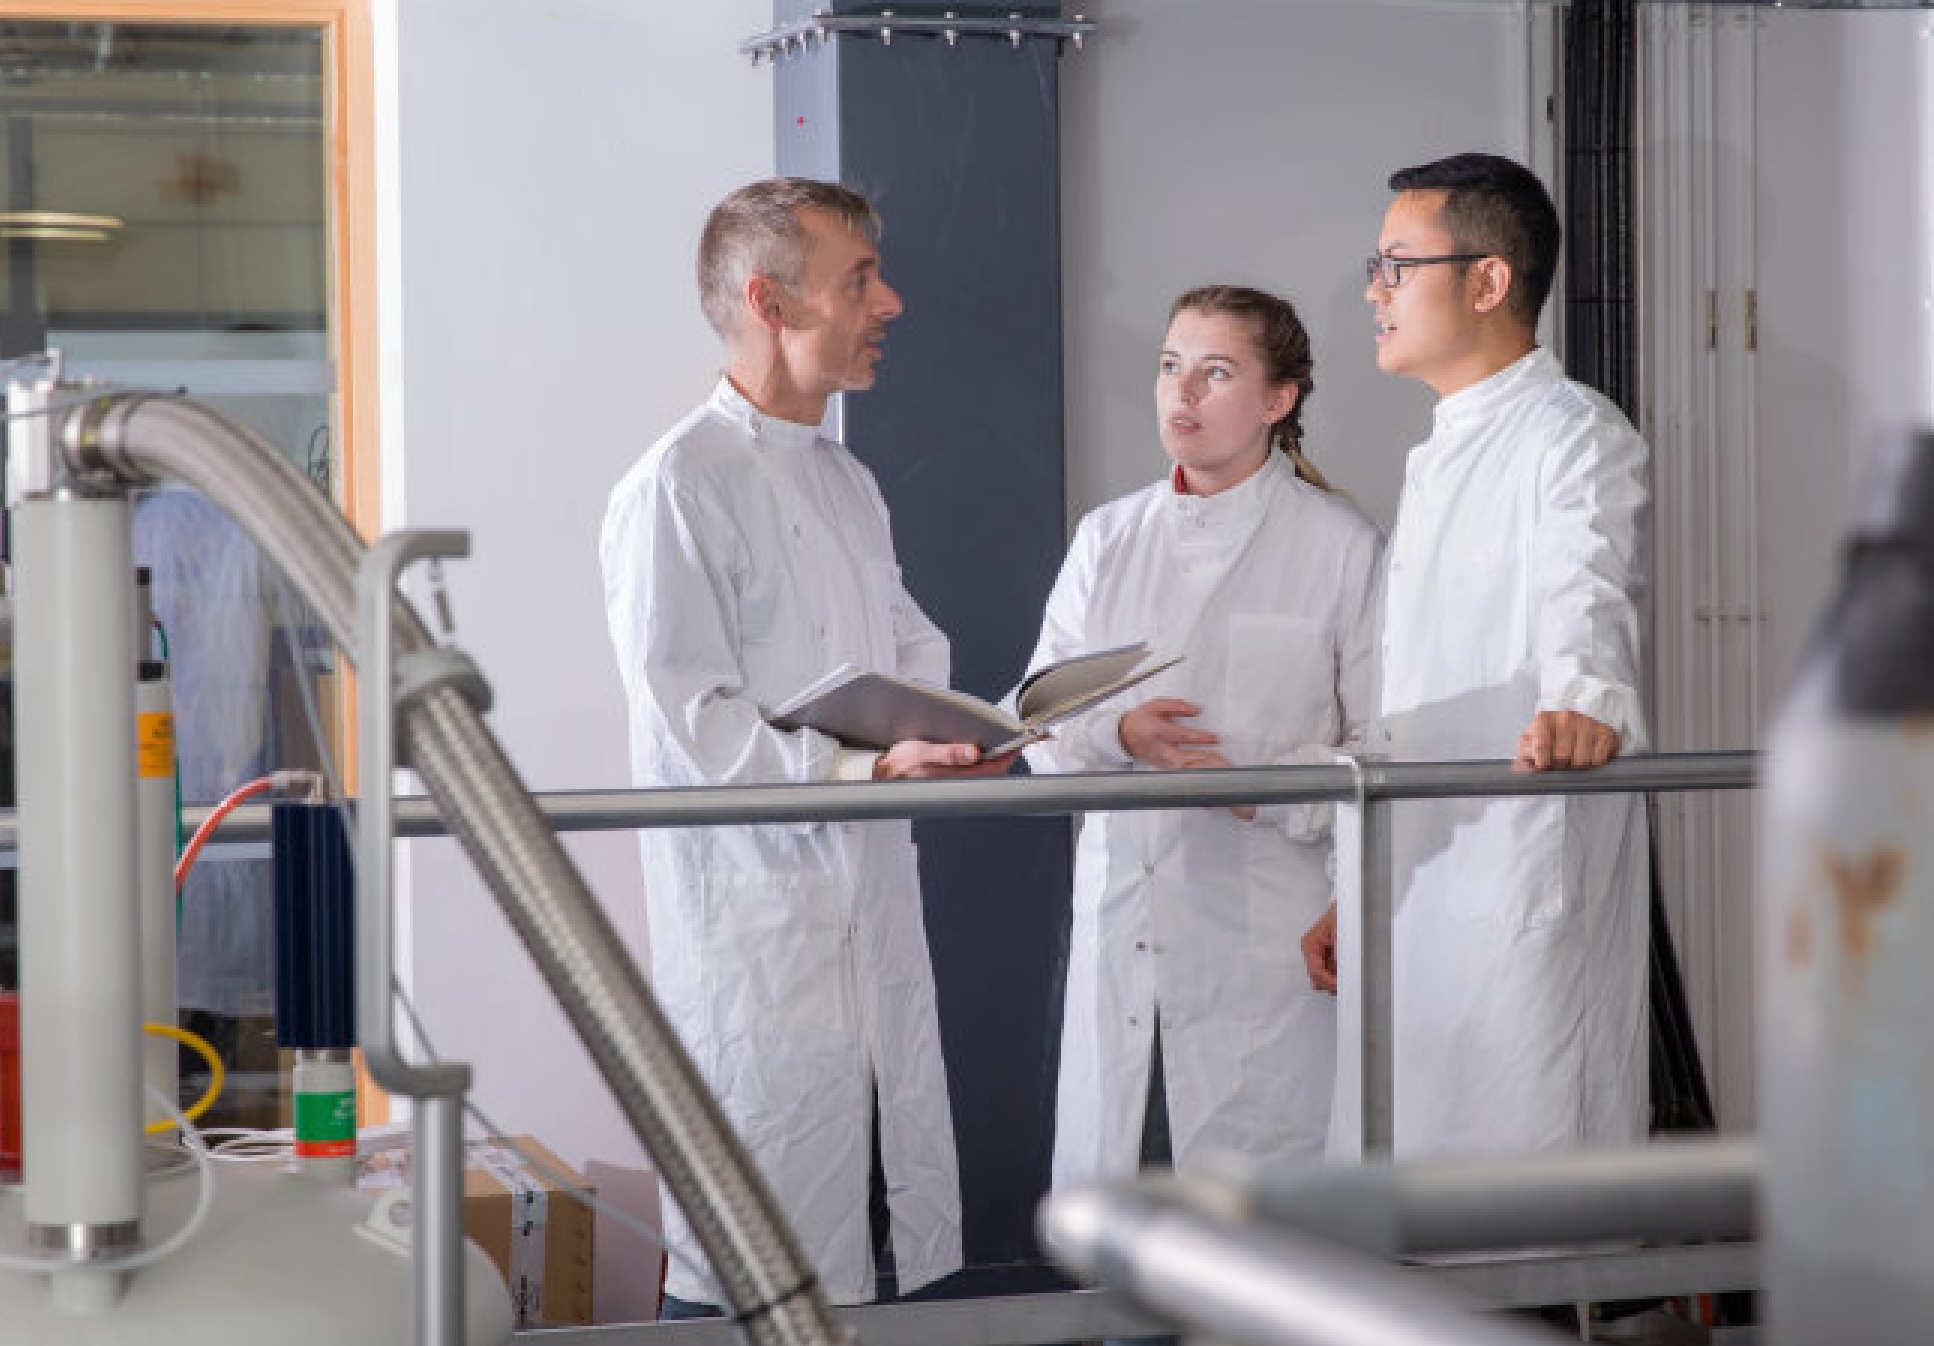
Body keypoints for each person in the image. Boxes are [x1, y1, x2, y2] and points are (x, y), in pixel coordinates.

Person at [599, 178, 1008, 1316]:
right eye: (859, 279)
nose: (891, 301)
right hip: (756, 934)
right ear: (769, 299)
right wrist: (858, 766)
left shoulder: (844, 479)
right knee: (754, 1252)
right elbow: (691, 722)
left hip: (864, 905)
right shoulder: (675, 486)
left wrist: (968, 729)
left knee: (865, 1248)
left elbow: (904, 644)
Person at [1303, 152, 1651, 1157]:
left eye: (1394, 266)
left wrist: (1585, 698)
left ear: (1488, 280)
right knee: (1402, 1164)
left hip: (1512, 873)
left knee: (1518, 1171)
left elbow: (1585, 588)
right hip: (1413, 871)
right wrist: (1353, 874)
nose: (1374, 292)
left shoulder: (1572, 434)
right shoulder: (1442, 447)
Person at [1020, 285, 1382, 1186]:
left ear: (1277, 400)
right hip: (1128, 931)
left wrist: (1260, 784)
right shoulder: (1106, 538)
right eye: (1171, 366)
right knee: (1132, 1249)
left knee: (1269, 1256)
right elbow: (1035, 723)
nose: (1182, 394)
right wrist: (1119, 734)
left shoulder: (1340, 545)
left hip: (1268, 939)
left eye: (1216, 372)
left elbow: (1385, 745)